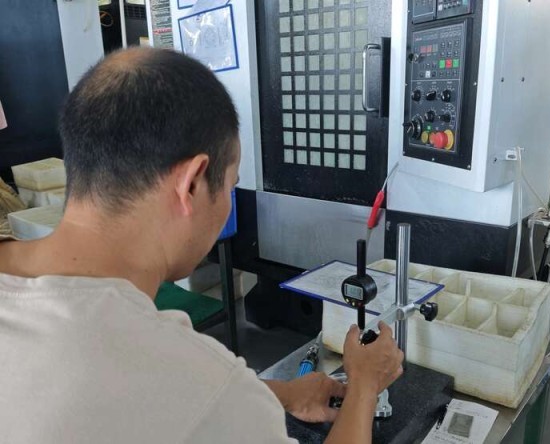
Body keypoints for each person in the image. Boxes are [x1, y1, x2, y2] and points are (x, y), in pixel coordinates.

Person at [0, 47, 403, 443]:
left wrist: (276, 394)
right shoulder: (185, 369)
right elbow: (191, 391)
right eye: (231, 185)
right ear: (192, 184)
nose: (228, 200)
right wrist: (364, 386)